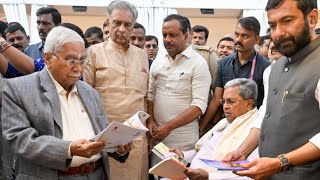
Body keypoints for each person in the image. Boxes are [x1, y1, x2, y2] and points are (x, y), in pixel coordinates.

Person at [2, 26, 132, 179]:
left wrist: (118, 148)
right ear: (48, 59)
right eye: (71, 61)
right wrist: (69, 149)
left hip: (96, 174)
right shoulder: (18, 89)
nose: (78, 68)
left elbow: (101, 135)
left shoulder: (90, 93)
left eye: (82, 60)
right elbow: (19, 139)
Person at [225, 0, 320, 179]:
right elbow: (266, 115)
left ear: (312, 18)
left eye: (287, 21)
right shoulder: (273, 68)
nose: (278, 33)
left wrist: (280, 162)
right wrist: (242, 151)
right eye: (272, 25)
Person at [83, 1, 149, 180]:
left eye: (127, 25)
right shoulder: (93, 53)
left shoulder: (142, 56)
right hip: (106, 136)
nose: (121, 29)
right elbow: (85, 97)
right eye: (116, 23)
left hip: (136, 136)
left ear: (133, 26)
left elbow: (144, 96)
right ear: (108, 23)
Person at [147, 14, 211, 167]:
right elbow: (151, 95)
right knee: (158, 174)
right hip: (158, 137)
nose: (167, 39)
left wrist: (168, 127)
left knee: (179, 175)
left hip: (183, 141)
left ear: (186, 35)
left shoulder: (199, 64)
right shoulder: (158, 61)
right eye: (164, 35)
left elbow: (198, 107)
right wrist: (150, 120)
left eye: (173, 35)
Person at [172, 78, 259, 180]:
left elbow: (250, 174)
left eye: (231, 101)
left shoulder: (256, 131)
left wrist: (209, 177)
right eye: (224, 101)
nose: (225, 106)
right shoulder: (225, 123)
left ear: (249, 104)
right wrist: (183, 156)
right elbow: (207, 151)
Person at [199, 16, 270, 136]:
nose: (239, 39)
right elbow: (217, 99)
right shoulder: (224, 63)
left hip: (251, 126)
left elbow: (266, 104)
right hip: (226, 123)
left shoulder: (266, 66)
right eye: (237, 35)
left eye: (245, 36)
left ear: (257, 39)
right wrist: (202, 127)